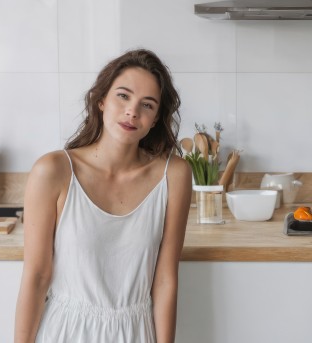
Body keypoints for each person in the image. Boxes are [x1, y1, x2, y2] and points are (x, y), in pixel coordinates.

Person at [14, 49, 192, 342]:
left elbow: (164, 280)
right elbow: (36, 277)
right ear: (101, 100)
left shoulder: (174, 174)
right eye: (123, 96)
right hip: (65, 331)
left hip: (135, 332)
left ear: (156, 118)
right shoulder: (54, 170)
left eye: (147, 105)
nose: (132, 111)